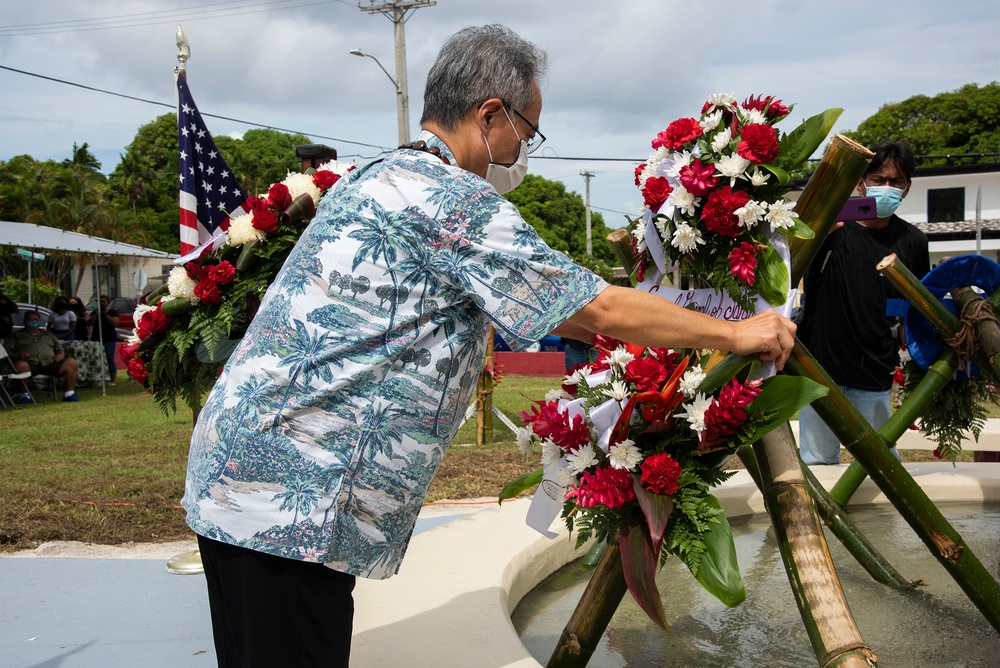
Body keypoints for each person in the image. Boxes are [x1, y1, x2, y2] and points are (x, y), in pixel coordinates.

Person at [181, 24, 797, 667]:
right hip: (291, 497)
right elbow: (599, 305)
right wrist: (734, 332)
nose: (522, 152)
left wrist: (664, 339)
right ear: (490, 114)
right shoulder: (453, 201)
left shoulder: (384, 174)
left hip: (247, 475)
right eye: (526, 135)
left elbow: (565, 315)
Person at [797, 140, 930, 465]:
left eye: (896, 182)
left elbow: (919, 307)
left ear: (907, 187)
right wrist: (817, 229)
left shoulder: (912, 241)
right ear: (860, 183)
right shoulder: (829, 228)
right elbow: (787, 266)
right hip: (820, 371)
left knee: (883, 466)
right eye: (878, 180)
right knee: (817, 461)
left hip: (876, 372)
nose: (887, 188)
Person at [3, 310, 81, 402]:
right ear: (24, 321)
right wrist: (18, 355)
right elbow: (6, 351)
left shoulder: (48, 335)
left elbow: (59, 349)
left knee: (71, 362)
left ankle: (69, 394)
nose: (33, 321)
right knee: (21, 365)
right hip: (30, 363)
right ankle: (24, 396)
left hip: (50, 362)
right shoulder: (16, 335)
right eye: (30, 319)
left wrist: (60, 354)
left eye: (35, 319)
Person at [88, 295, 119, 386]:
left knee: (110, 359)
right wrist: (96, 315)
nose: (102, 303)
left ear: (107, 302)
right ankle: (98, 378)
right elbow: (88, 323)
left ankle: (113, 380)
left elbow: (115, 322)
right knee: (97, 359)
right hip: (96, 339)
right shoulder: (95, 312)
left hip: (109, 339)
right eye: (100, 302)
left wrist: (106, 314)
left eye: (103, 302)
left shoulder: (112, 312)